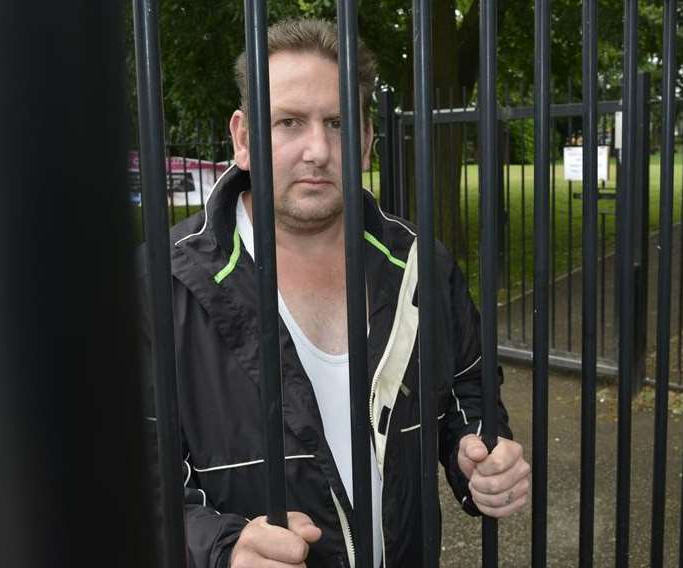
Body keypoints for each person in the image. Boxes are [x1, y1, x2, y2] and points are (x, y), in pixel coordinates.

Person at [138, 17, 530, 568]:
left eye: (339, 122)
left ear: (367, 140)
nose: (318, 149)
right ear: (243, 138)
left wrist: (480, 457)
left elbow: (470, 385)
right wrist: (223, 549)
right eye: (290, 122)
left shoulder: (422, 265)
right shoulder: (162, 285)